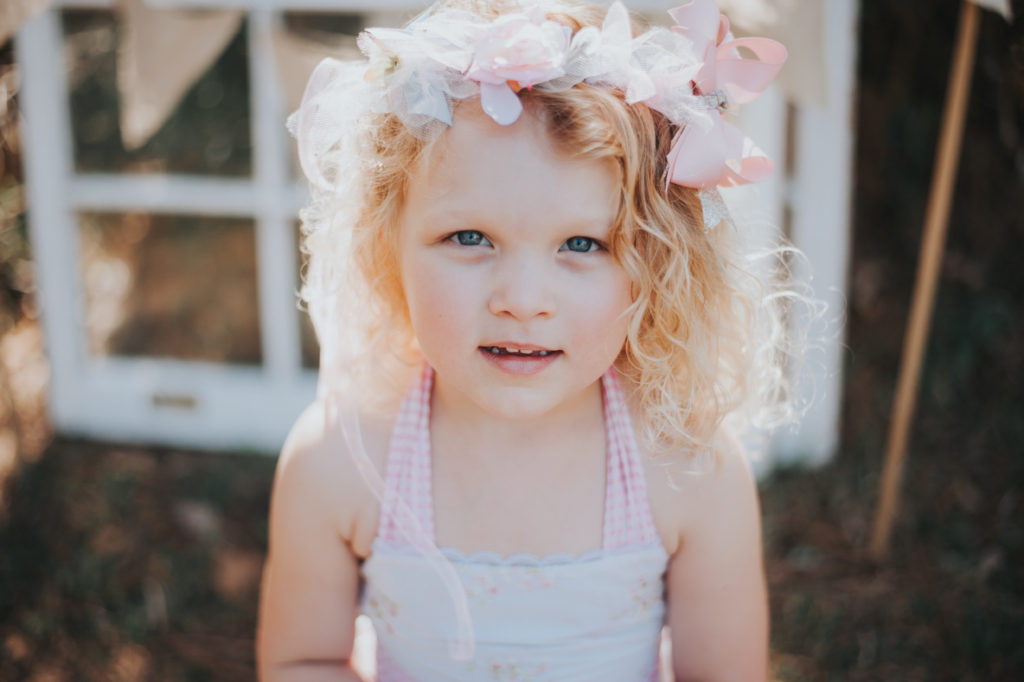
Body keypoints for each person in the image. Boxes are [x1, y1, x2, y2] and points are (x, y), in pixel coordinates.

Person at [258, 1, 804, 680]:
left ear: (657, 265)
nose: (521, 301)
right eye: (469, 238)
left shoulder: (688, 468)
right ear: (385, 246)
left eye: (581, 244)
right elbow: (299, 661)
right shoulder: (341, 458)